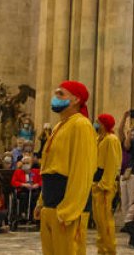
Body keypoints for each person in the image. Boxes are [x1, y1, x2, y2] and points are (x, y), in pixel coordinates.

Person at [35, 80, 96, 255]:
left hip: (67, 207)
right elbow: (49, 166)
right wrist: (41, 202)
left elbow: (82, 170)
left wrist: (69, 210)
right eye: (56, 94)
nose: (56, 97)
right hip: (51, 203)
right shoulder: (59, 126)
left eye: (60, 94)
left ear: (76, 99)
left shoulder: (81, 125)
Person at [92, 113, 123, 254]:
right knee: (99, 221)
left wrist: (104, 184)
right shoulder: (99, 138)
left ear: (104, 124)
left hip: (105, 185)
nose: (96, 124)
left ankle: (109, 250)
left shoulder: (111, 140)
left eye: (98, 122)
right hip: (96, 182)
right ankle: (102, 250)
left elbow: (112, 163)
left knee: (106, 221)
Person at [12, 153, 42, 221]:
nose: (26, 164)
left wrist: (37, 185)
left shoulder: (36, 171)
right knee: (23, 196)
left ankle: (34, 214)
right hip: (23, 190)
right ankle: (23, 214)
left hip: (34, 189)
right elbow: (14, 182)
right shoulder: (18, 172)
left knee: (36, 196)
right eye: (24, 163)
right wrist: (23, 184)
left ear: (31, 164)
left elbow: (42, 181)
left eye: (27, 163)